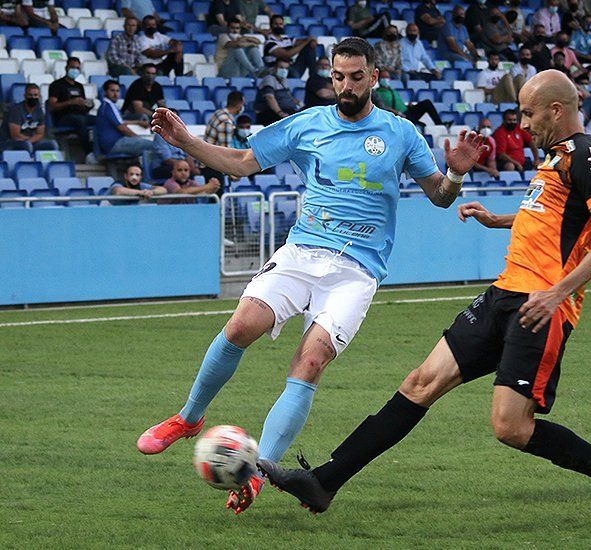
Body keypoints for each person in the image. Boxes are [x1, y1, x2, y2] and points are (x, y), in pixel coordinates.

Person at [257, 70, 591, 536]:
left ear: (556, 109)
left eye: (528, 113)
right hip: (504, 295)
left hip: (541, 307)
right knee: (420, 383)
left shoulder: (587, 153)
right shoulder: (556, 158)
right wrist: (499, 219)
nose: (523, 124)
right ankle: (323, 483)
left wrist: (558, 291)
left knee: (511, 427)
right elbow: (553, 219)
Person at [139, 37, 487, 515]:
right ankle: (188, 418)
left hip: (356, 272)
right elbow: (242, 163)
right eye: (339, 76)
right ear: (331, 75)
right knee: (241, 326)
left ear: (375, 77)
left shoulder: (401, 133)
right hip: (302, 253)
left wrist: (455, 175)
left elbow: (440, 196)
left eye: (356, 76)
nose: (346, 85)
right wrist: (185, 141)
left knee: (310, 362)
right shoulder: (307, 125)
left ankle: (260, 471)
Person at [96, 80, 155, 158]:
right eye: (112, 91)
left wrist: (137, 122)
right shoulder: (108, 106)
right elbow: (122, 127)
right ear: (105, 92)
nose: (115, 94)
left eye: (117, 91)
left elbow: (120, 122)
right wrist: (137, 137)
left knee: (147, 148)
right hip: (114, 143)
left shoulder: (107, 105)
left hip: (113, 143)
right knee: (154, 145)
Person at [47, 58, 95, 151]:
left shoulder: (79, 86)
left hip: (81, 115)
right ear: (66, 68)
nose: (75, 70)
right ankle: (88, 152)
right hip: (63, 117)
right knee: (79, 120)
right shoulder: (56, 85)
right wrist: (70, 102)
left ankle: (98, 149)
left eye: (77, 68)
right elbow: (52, 107)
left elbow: (83, 104)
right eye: (72, 67)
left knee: (100, 119)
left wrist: (88, 105)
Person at [372, 69, 444, 128]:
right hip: (398, 116)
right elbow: (382, 107)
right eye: (383, 78)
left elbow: (399, 104)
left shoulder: (393, 90)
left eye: (387, 77)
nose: (386, 79)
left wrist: (407, 106)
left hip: (406, 111)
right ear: (379, 79)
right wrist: (398, 113)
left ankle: (440, 125)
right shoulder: (377, 93)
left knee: (426, 103)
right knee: (422, 126)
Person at [0, 84, 57, 152]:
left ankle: (49, 162)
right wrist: (30, 141)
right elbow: (15, 136)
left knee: (52, 144)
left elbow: (40, 133)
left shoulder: (39, 111)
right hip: (10, 143)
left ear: (39, 96)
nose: (33, 97)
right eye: (30, 95)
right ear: (25, 96)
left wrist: (30, 140)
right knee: (27, 145)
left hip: (30, 141)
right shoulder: (16, 110)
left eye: (35, 95)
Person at [149, 110, 198, 179]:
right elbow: (167, 160)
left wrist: (192, 168)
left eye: (175, 118)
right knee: (186, 173)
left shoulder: (181, 134)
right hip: (162, 167)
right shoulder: (160, 135)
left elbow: (188, 155)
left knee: (200, 171)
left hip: (181, 165)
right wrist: (184, 167)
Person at [254, 59, 301, 126]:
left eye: (286, 68)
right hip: (271, 114)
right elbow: (269, 98)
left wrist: (300, 104)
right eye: (281, 68)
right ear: (274, 68)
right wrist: (280, 112)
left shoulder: (283, 81)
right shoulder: (269, 79)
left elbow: (289, 97)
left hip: (288, 112)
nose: (284, 70)